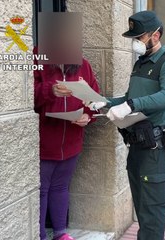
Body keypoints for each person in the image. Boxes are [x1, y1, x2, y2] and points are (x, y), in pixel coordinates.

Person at [88, 11, 165, 240]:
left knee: (152, 214)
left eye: (139, 37)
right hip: (137, 147)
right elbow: (130, 96)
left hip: (155, 149)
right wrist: (107, 102)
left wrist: (131, 105)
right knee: (142, 209)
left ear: (155, 35)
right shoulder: (141, 64)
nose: (135, 42)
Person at [34, 20, 100, 240]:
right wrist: (49, 90)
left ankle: (60, 233)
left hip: (72, 139)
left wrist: (87, 116)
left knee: (61, 186)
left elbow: (94, 99)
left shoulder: (83, 65)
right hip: (46, 140)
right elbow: (26, 97)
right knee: (42, 189)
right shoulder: (37, 60)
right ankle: (40, 234)